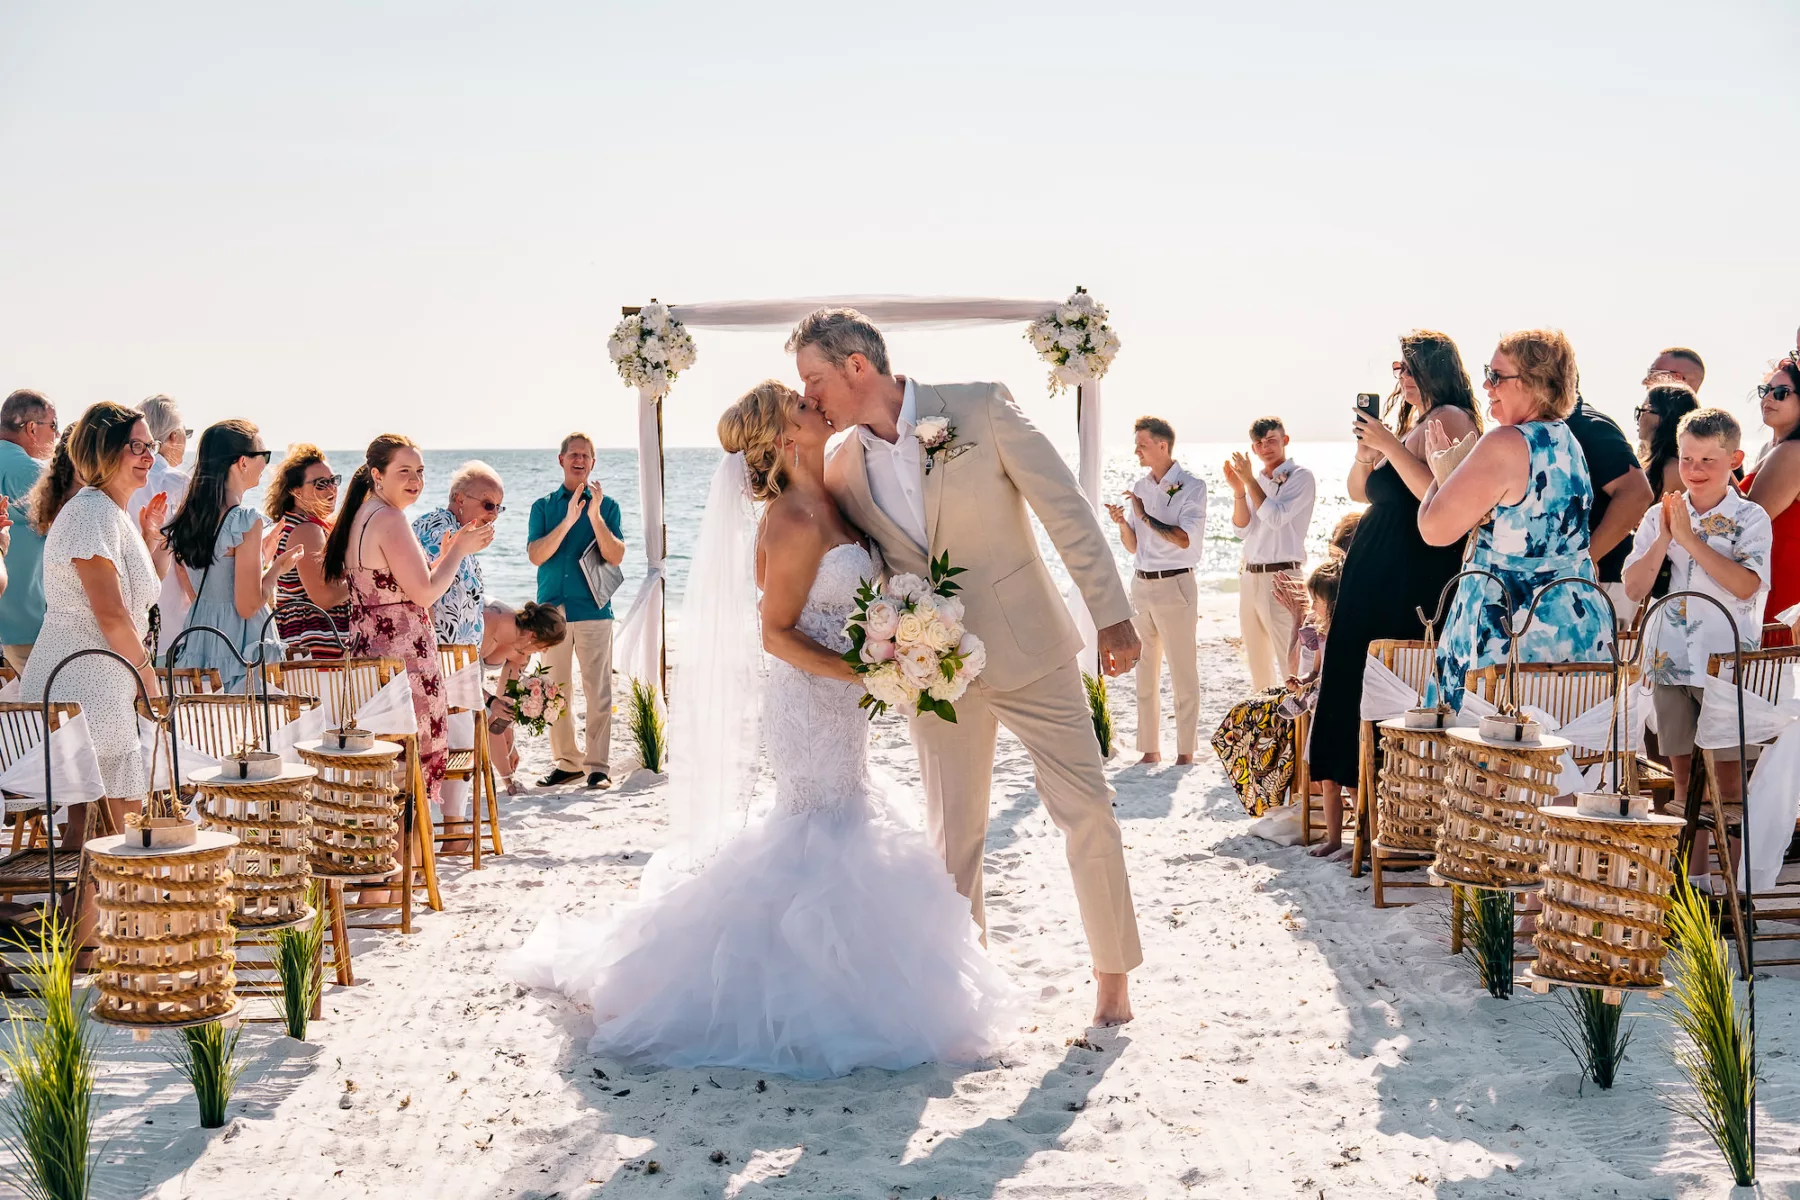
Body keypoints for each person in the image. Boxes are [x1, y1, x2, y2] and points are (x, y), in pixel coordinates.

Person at [511, 380, 1025, 1078]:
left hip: (844, 702)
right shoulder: (789, 518)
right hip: (809, 701)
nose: (816, 405)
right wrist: (871, 675)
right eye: (800, 406)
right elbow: (776, 634)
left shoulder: (835, 499)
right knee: (820, 829)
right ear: (785, 438)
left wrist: (898, 650)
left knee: (843, 821)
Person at [797, 307, 1142, 1027]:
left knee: (1087, 811)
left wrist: (1111, 612)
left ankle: (1113, 981)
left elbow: (1066, 511)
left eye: (816, 380)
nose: (811, 398)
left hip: (1030, 647)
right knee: (953, 837)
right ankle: (965, 986)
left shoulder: (981, 406)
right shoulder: (838, 467)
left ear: (857, 366)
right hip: (929, 673)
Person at [1306, 331, 1480, 859]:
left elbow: (1438, 491)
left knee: (1385, 683)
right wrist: (1367, 452)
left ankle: (1382, 825)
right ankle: (1348, 826)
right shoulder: (1407, 424)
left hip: (1411, 573)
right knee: (1347, 677)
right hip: (1372, 569)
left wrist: (1388, 446)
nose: (1398, 378)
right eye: (1396, 369)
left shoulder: (1451, 418)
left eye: (1406, 368)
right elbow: (1360, 492)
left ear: (1430, 369)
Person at [22, 403, 172, 951]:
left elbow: (135, 599)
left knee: (101, 824)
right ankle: (98, 945)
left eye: (150, 445)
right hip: (83, 681)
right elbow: (110, 614)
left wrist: (151, 537)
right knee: (115, 823)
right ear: (102, 454)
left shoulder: (112, 513)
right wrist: (148, 679)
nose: (148, 455)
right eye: (135, 446)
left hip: (97, 681)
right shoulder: (88, 513)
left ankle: (88, 941)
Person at [1419, 329, 1614, 710]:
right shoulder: (1567, 441)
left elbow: (1434, 530)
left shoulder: (1505, 442)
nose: (1486, 386)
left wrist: (1440, 471)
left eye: (1497, 376)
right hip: (1573, 628)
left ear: (1533, 383)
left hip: (1508, 635)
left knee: (1490, 762)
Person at [1622, 408, 1771, 887]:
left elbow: (1747, 585)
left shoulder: (1751, 518)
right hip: (1669, 662)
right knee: (1683, 778)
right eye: (1687, 458)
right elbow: (1632, 586)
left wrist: (1690, 539)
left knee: (1728, 783)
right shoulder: (1658, 514)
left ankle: (1731, 888)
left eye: (1708, 458)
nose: (1696, 470)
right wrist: (1667, 535)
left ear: (1735, 459)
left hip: (1724, 666)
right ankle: (1694, 884)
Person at [324, 435, 493, 816]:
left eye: (419, 471)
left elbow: (392, 588)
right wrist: (460, 553)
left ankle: (395, 869)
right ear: (377, 475)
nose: (415, 479)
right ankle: (410, 869)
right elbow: (425, 594)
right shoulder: (390, 518)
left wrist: (447, 554)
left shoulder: (360, 515)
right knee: (406, 776)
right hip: (405, 660)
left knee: (384, 772)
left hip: (370, 653)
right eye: (404, 471)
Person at [164, 421, 299, 690]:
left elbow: (201, 589)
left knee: (207, 725)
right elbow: (247, 605)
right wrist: (275, 570)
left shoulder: (191, 518)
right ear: (242, 462)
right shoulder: (244, 521)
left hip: (201, 637)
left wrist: (261, 557)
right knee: (253, 725)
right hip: (239, 642)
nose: (266, 464)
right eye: (264, 456)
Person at [526, 433, 625, 790]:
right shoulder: (543, 507)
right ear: (561, 460)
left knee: (598, 691)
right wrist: (568, 520)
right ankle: (567, 762)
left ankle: (598, 766)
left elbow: (615, 556)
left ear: (593, 462)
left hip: (595, 610)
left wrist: (594, 517)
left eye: (586, 455)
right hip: (552, 612)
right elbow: (536, 555)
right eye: (573, 454)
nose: (579, 460)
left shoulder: (608, 506)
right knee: (555, 690)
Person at [1104, 416, 1205, 765]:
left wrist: (1144, 516)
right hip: (1141, 584)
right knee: (1144, 670)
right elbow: (1133, 547)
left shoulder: (1192, 486)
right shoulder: (1140, 486)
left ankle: (1186, 752)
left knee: (1182, 672)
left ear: (1162, 445)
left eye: (1142, 444)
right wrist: (1123, 523)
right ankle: (1149, 749)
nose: (1136, 450)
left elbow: (1183, 538)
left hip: (1176, 584)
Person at [1211, 556, 1340, 817]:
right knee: (1244, 711)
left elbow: (1295, 665)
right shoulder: (1317, 626)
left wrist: (1299, 617)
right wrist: (1299, 618)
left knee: (1250, 717)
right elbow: (1301, 671)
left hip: (1314, 702)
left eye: (1316, 600)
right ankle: (1266, 802)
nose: (1312, 604)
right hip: (1304, 693)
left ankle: (1273, 799)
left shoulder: (1330, 631)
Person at [1226, 415, 1316, 689]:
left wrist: (1250, 481)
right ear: (1253, 449)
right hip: (1250, 575)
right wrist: (1239, 490)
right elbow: (1241, 530)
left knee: (1288, 659)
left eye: (1271, 440)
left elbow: (1276, 518)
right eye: (1259, 443)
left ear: (1284, 441)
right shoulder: (1257, 481)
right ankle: (1267, 727)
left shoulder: (1300, 477)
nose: (1265, 447)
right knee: (1257, 662)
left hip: (1283, 575)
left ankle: (1296, 724)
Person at [1564, 391, 1653, 618]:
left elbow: (1637, 494)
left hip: (1602, 582)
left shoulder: (1589, 427)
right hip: (1574, 580)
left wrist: (1585, 559)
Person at [263, 444, 351, 658]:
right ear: (295, 490)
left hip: (305, 643)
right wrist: (366, 576)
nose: (332, 489)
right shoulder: (306, 530)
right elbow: (323, 597)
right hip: (316, 644)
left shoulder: (299, 524)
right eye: (321, 484)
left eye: (333, 480)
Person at [127, 395, 195, 651]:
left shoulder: (125, 479)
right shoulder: (177, 483)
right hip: (173, 598)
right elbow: (188, 555)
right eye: (185, 432)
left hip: (134, 597)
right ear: (173, 437)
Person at [478, 599, 567, 793]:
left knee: (495, 716)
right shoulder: (492, 621)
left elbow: (504, 704)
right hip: (451, 667)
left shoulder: (522, 653)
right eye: (545, 646)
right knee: (481, 712)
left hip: (473, 679)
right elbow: (461, 672)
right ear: (533, 635)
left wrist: (510, 742)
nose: (543, 652)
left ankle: (509, 781)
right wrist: (490, 700)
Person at [414, 461, 503, 648]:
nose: (494, 514)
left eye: (498, 507)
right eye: (488, 505)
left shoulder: (459, 531)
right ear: (460, 499)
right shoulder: (439, 533)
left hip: (455, 657)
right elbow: (423, 597)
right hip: (442, 659)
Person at [0, 389, 57, 671]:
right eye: (53, 426)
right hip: (26, 627)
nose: (56, 437)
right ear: (32, 428)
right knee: (40, 713)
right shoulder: (34, 473)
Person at [1744, 358, 1800, 623]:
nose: (1768, 398)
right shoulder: (1773, 449)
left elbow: (1747, 520)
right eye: (1765, 390)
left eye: (1781, 393)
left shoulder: (1794, 451)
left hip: (1780, 590)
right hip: (1766, 578)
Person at [1637, 382, 1701, 501]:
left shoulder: (1672, 470)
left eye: (1643, 410)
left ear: (1664, 417)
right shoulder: (1675, 466)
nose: (1639, 417)